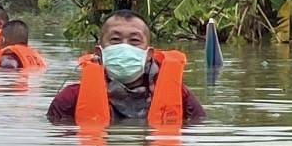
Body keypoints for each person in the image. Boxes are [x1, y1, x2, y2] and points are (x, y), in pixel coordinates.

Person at [47, 10, 204, 126]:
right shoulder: (70, 98)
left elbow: (197, 132)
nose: (124, 47)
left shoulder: (180, 96)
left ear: (149, 54)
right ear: (98, 52)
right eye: (115, 39)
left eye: (134, 41)